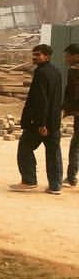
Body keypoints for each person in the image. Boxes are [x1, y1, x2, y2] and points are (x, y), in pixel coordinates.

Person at [11, 43, 63, 194]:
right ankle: (55, 186)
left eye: (38, 55)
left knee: (25, 147)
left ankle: (29, 180)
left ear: (47, 56)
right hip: (54, 120)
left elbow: (41, 100)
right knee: (53, 152)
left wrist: (41, 123)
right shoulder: (56, 72)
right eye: (33, 54)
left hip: (39, 123)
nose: (34, 57)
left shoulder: (41, 73)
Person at [64, 42, 79, 189]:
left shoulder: (74, 71)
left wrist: (66, 109)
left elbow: (73, 92)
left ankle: (71, 178)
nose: (66, 59)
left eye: (68, 56)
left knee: (75, 146)